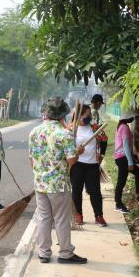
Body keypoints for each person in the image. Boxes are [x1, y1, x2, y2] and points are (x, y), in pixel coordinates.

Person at [29, 97, 88, 264]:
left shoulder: (35, 132)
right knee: (61, 219)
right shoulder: (65, 134)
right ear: (63, 115)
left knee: (44, 218)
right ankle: (65, 253)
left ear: (46, 114)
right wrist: (79, 152)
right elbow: (71, 161)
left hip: (40, 183)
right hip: (59, 184)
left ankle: (44, 253)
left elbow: (32, 159)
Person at [70, 104, 107, 227]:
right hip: (77, 165)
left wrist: (101, 155)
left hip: (92, 165)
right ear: (78, 116)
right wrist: (75, 153)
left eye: (90, 115)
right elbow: (65, 148)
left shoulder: (94, 127)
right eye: (87, 115)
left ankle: (99, 216)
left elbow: (104, 139)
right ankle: (78, 215)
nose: (89, 117)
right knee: (76, 191)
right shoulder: (71, 129)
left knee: (95, 191)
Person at [114, 109, 139, 213]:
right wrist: (130, 162)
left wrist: (132, 157)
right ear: (128, 118)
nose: (133, 118)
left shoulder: (122, 126)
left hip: (122, 157)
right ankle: (118, 204)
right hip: (123, 158)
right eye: (132, 117)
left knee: (138, 173)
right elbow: (126, 146)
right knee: (121, 181)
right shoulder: (124, 128)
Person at [91, 94, 108, 163]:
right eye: (100, 104)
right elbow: (93, 124)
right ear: (98, 103)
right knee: (104, 138)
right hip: (92, 132)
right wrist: (100, 128)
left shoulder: (90, 109)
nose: (100, 106)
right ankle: (101, 156)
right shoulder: (94, 111)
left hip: (91, 130)